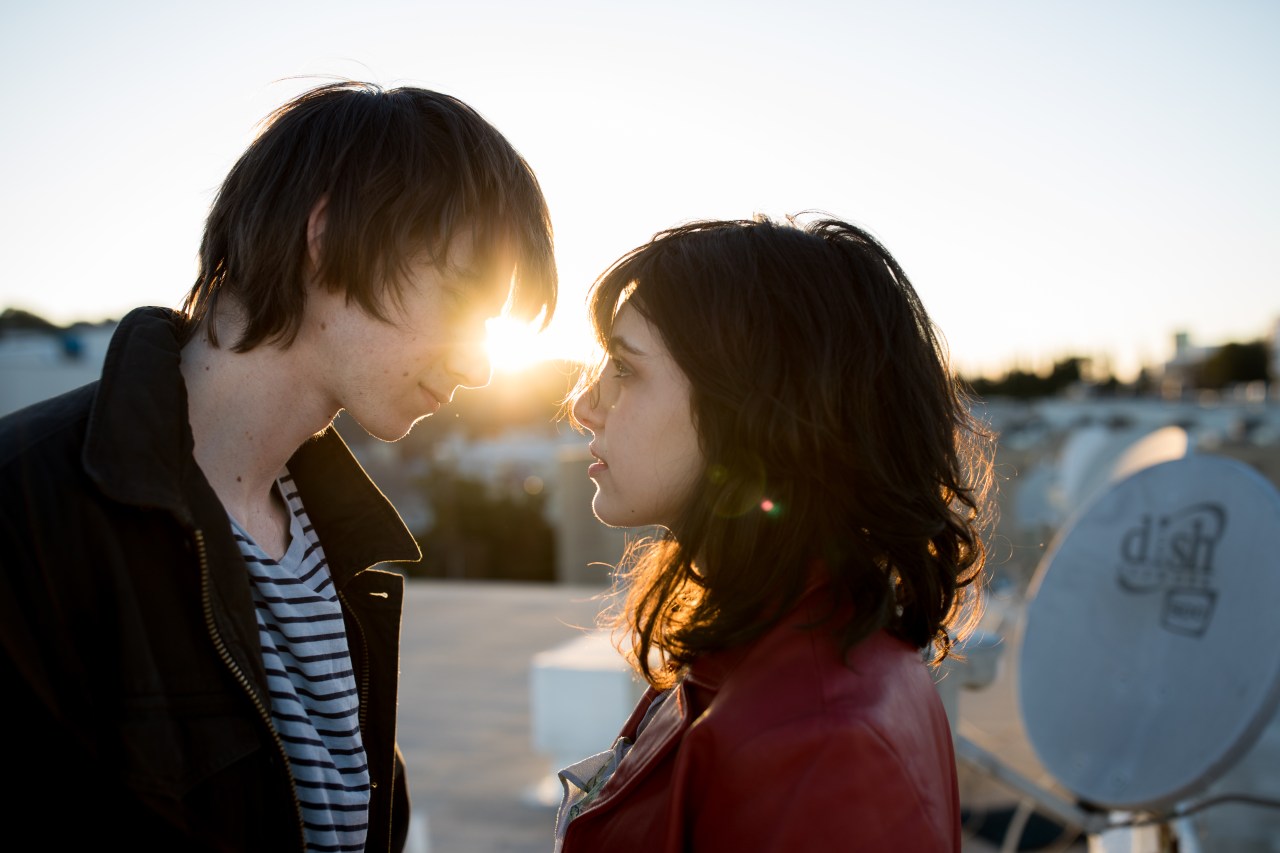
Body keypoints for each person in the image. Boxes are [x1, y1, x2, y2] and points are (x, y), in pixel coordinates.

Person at [0, 81, 555, 852]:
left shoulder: (347, 550)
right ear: (325, 237)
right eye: (462, 299)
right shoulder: (26, 507)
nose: (479, 366)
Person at [557, 215, 992, 852]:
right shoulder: (768, 641)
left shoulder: (816, 742)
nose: (584, 405)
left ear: (752, 408)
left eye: (625, 370)